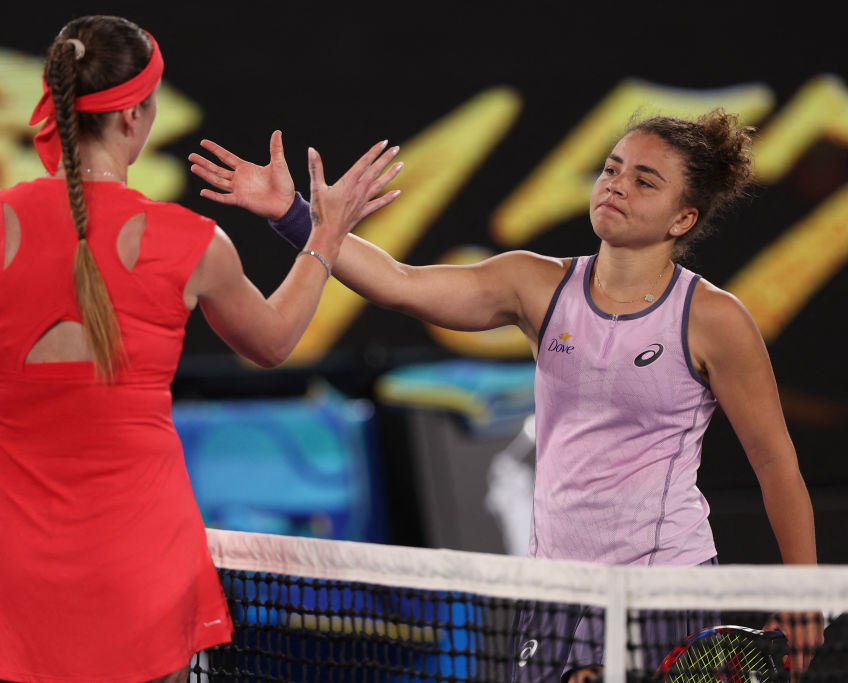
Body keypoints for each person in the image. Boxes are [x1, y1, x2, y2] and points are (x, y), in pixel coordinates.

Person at [0, 14, 401, 683]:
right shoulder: (195, 243)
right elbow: (274, 341)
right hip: (139, 587)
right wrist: (325, 232)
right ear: (135, 115)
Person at [188, 109, 823, 682]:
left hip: (663, 591)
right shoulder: (533, 284)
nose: (615, 185)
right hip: (552, 592)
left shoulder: (714, 319)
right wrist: (293, 213)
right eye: (611, 169)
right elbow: (399, 283)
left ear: (683, 219)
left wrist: (802, 598)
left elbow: (776, 464)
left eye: (644, 181)